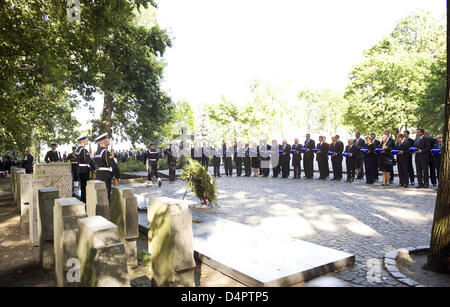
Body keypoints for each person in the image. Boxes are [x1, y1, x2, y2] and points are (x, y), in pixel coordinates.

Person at [94, 133, 120, 203]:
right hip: (106, 175)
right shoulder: (105, 152)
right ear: (102, 141)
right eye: (107, 139)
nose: (108, 140)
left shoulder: (97, 152)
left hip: (99, 174)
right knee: (107, 195)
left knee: (100, 195)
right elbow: (114, 166)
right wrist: (117, 176)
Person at [76, 135, 95, 203]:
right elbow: (89, 161)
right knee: (85, 188)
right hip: (84, 170)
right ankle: (85, 202)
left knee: (82, 187)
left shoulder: (78, 149)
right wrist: (93, 168)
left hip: (80, 169)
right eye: (86, 140)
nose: (87, 141)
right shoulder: (83, 150)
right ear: (83, 141)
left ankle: (83, 200)